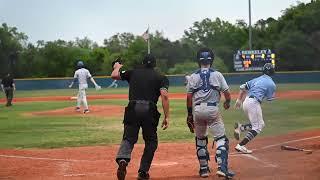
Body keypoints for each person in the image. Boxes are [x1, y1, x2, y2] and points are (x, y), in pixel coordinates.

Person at [111, 54, 169, 180]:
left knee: (129, 138)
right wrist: (166, 117)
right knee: (151, 141)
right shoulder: (161, 77)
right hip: (150, 109)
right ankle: (143, 172)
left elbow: (114, 75)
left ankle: (123, 159)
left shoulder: (133, 72)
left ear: (143, 63)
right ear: (155, 64)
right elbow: (164, 96)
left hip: (133, 107)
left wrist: (117, 67)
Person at [186, 47, 235, 178]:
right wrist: (227, 102)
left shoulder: (193, 76)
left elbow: (189, 97)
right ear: (211, 60)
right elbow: (227, 93)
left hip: (197, 110)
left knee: (200, 139)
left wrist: (189, 114)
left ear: (199, 60)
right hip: (213, 109)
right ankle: (222, 167)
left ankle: (203, 170)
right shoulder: (217, 74)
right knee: (221, 138)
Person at [234, 63, 276, 154]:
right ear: (273, 72)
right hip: (254, 103)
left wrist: (238, 100)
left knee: (260, 124)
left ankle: (241, 128)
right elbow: (270, 99)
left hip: (245, 101)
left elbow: (242, 87)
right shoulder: (272, 84)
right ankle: (241, 145)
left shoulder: (257, 79)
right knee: (257, 127)